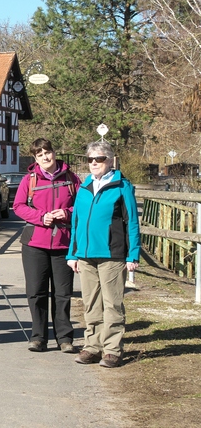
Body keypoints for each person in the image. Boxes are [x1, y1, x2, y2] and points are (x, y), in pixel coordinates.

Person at [67, 141, 140, 368]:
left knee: (112, 303)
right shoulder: (84, 186)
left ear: (109, 161)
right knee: (90, 303)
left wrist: (133, 255)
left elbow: (132, 223)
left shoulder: (121, 186)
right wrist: (72, 253)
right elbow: (76, 222)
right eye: (90, 159)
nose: (94, 163)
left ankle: (112, 350)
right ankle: (92, 347)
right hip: (86, 255)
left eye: (98, 159)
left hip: (112, 254)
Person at [13, 138, 80, 353]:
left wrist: (67, 213)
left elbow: (82, 205)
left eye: (47, 152)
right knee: (36, 292)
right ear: (35, 158)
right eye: (39, 154)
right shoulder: (29, 180)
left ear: (54, 152)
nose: (45, 157)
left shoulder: (71, 178)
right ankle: (38, 337)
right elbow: (18, 206)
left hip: (63, 244)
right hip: (35, 244)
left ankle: (65, 338)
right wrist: (41, 217)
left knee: (62, 293)